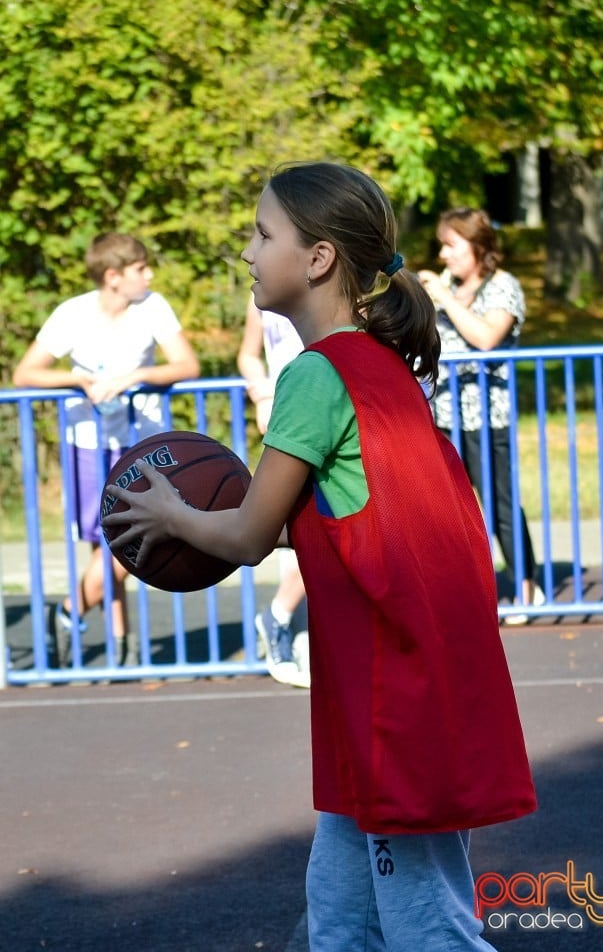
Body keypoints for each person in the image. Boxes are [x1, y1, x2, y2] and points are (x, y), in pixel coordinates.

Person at [103, 162, 537, 951]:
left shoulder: (317, 373)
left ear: (319, 258)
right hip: (388, 697)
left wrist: (167, 510)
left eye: (263, 234)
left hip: (392, 704)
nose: (247, 252)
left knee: (430, 932)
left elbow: (244, 534)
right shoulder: (380, 367)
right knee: (339, 922)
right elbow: (292, 524)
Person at [13, 232, 200, 668]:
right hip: (88, 444)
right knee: (109, 547)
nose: (149, 274)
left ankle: (69, 612)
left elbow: (187, 365)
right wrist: (76, 380)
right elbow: (26, 373)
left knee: (136, 540)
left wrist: (135, 376)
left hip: (143, 446)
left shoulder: (152, 306)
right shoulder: (72, 314)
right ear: (113, 276)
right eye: (140, 268)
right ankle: (123, 644)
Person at [418, 208, 544, 625]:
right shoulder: (446, 288)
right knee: (448, 506)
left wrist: (445, 299)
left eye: (452, 245)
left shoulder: (502, 286)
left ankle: (526, 587)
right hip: (445, 416)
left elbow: (486, 338)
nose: (444, 254)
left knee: (500, 501)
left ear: (477, 246)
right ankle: (462, 587)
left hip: (488, 415)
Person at [237, 297, 309, 687]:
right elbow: (248, 354)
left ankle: (282, 619)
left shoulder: (337, 284)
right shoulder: (263, 296)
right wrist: (262, 392)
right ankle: (280, 619)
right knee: (311, 527)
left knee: (323, 528)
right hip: (289, 418)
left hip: (321, 411)